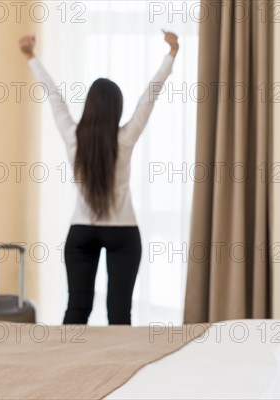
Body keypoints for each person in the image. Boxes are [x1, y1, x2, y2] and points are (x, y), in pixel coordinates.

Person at [19, 30, 179, 325]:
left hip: (82, 233)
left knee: (77, 309)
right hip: (123, 232)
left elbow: (53, 96)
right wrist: (171, 54)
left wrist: (31, 57)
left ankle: (66, 368)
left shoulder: (73, 136)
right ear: (116, 108)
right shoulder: (125, 138)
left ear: (89, 106)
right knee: (120, 315)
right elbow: (149, 98)